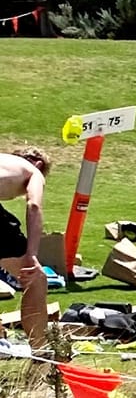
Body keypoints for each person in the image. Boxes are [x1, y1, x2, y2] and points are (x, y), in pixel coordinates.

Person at [0, 145, 51, 352]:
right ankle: (42, 355)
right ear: (38, 163)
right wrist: (32, 255)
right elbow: (34, 206)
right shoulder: (33, 171)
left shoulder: (6, 163)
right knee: (36, 280)